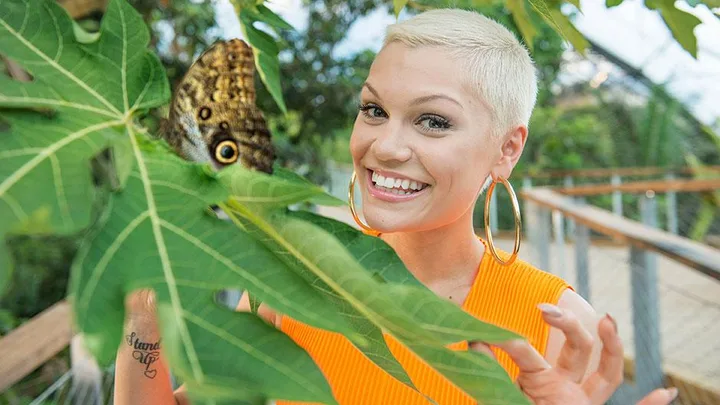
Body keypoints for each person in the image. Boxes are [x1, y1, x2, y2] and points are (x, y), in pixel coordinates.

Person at [114, 8, 679, 405]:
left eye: (432, 121)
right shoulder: (291, 282)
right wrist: (144, 315)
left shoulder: (558, 326)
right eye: (374, 109)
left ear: (508, 149)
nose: (384, 146)